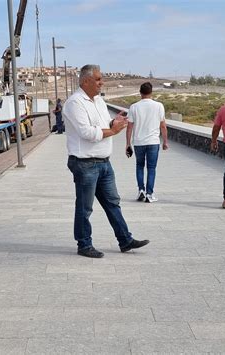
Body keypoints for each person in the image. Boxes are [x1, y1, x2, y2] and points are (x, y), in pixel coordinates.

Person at [63, 64, 149, 258]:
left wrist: (113, 122)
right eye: (99, 79)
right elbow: (87, 132)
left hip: (103, 162)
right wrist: (113, 131)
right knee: (85, 208)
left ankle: (125, 240)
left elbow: (102, 125)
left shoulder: (99, 101)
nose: (102, 82)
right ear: (85, 81)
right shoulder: (75, 102)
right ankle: (84, 245)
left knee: (113, 203)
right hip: (85, 164)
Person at [125, 82, 168, 203]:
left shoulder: (134, 107)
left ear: (140, 92)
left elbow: (129, 127)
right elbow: (163, 126)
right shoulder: (159, 106)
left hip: (138, 142)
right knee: (151, 168)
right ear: (151, 92)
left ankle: (141, 190)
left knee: (139, 166)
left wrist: (128, 144)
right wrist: (165, 141)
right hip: (153, 142)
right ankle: (149, 194)